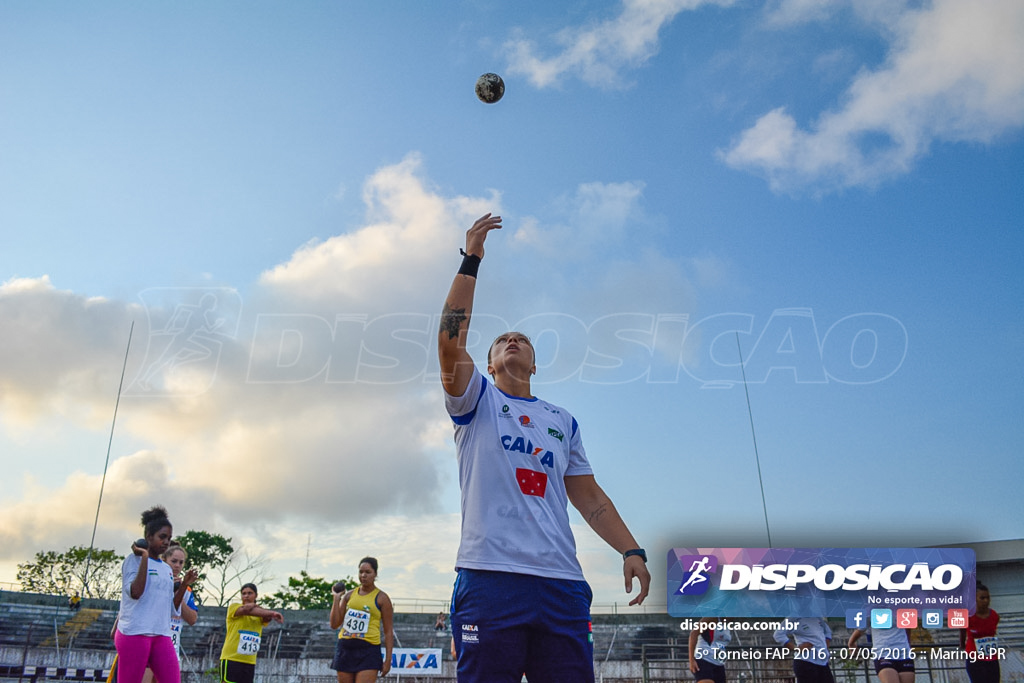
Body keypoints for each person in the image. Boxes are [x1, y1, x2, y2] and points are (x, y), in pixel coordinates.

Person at [438, 213, 651, 682]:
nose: (513, 340)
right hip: (491, 576)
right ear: (490, 364)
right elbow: (449, 339)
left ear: (534, 364)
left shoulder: (562, 420)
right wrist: (471, 259)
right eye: (502, 341)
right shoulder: (476, 399)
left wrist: (630, 549)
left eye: (522, 340)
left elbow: (590, 498)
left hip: (561, 583)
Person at [114, 506, 196, 683]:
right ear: (148, 537)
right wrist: (144, 557)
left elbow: (172, 608)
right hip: (135, 633)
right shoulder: (132, 561)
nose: (166, 542)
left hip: (161, 634)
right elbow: (135, 592)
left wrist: (184, 586)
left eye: (169, 538)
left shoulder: (165, 569)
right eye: (162, 537)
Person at [329, 557, 394, 682]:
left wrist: (388, 660)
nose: (363, 575)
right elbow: (334, 624)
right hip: (346, 648)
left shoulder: (382, 598)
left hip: (368, 650)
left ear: (375, 574)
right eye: (361, 572)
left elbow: (388, 631)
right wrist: (336, 599)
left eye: (368, 572)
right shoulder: (349, 595)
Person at [219, 583, 283, 683]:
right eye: (243, 593)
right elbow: (246, 610)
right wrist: (272, 613)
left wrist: (269, 615)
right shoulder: (234, 607)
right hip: (232, 658)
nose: (246, 596)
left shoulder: (260, 613)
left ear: (256, 595)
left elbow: (265, 617)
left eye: (250, 593)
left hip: (249, 660)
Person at [847, 619, 914, 683]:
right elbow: (861, 629)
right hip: (883, 653)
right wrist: (851, 643)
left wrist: (908, 645)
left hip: (904, 654)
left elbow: (908, 627)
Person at [960, 583, 1000, 683]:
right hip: (975, 658)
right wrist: (962, 644)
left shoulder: (994, 615)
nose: (986, 601)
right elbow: (962, 632)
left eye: (987, 598)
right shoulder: (968, 616)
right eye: (982, 598)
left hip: (991, 658)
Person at [774, 617, 834, 683]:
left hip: (823, 663)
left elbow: (827, 631)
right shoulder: (793, 618)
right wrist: (796, 648)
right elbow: (778, 634)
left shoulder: (817, 617)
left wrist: (825, 646)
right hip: (806, 662)